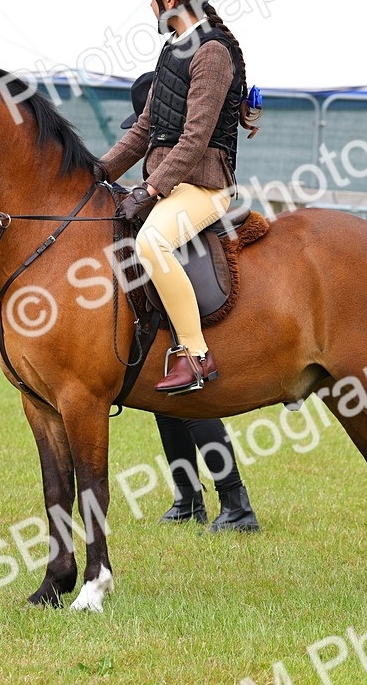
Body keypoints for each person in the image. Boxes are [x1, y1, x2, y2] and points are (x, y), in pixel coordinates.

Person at [97, 0, 261, 395]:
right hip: (173, 185)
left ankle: (196, 354)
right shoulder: (174, 50)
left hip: (204, 188)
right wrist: (100, 171)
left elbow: (194, 139)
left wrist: (149, 189)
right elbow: (145, 129)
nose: (150, 7)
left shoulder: (213, 53)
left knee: (152, 242)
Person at [117, 70, 259, 532]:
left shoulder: (189, 148)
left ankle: (235, 502)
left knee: (193, 400)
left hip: (190, 203)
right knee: (165, 395)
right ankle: (187, 498)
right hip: (172, 198)